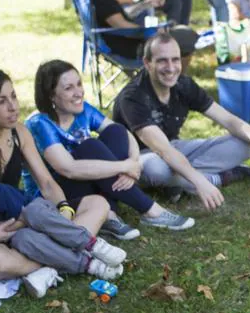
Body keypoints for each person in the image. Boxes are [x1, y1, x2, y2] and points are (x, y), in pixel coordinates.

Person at [0, 66, 107, 290]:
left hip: (21, 215)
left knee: (97, 203)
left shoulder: (19, 132)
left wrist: (64, 211)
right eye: (1, 101)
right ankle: (60, 257)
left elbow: (46, 183)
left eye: (13, 96)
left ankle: (47, 260)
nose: (13, 106)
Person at [24, 60, 196, 240]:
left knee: (116, 132)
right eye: (68, 88)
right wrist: (123, 167)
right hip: (56, 194)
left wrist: (133, 162)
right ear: (51, 96)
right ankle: (150, 210)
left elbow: (124, 134)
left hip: (89, 180)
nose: (79, 92)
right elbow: (68, 168)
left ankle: (109, 213)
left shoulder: (82, 110)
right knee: (90, 146)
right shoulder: (40, 124)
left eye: (79, 84)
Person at [113, 33, 250, 210]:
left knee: (247, 145)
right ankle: (217, 178)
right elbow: (163, 149)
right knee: (157, 169)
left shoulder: (183, 85)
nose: (171, 68)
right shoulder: (132, 97)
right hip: (141, 158)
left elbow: (228, 120)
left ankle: (177, 183)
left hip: (174, 148)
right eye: (162, 61)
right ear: (147, 63)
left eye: (175, 60)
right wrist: (201, 182)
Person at [0, 183, 126, 297]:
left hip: (44, 221)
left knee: (97, 203)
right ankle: (90, 265)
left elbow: (31, 218)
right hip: (30, 243)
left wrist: (5, 230)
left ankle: (92, 245)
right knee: (23, 239)